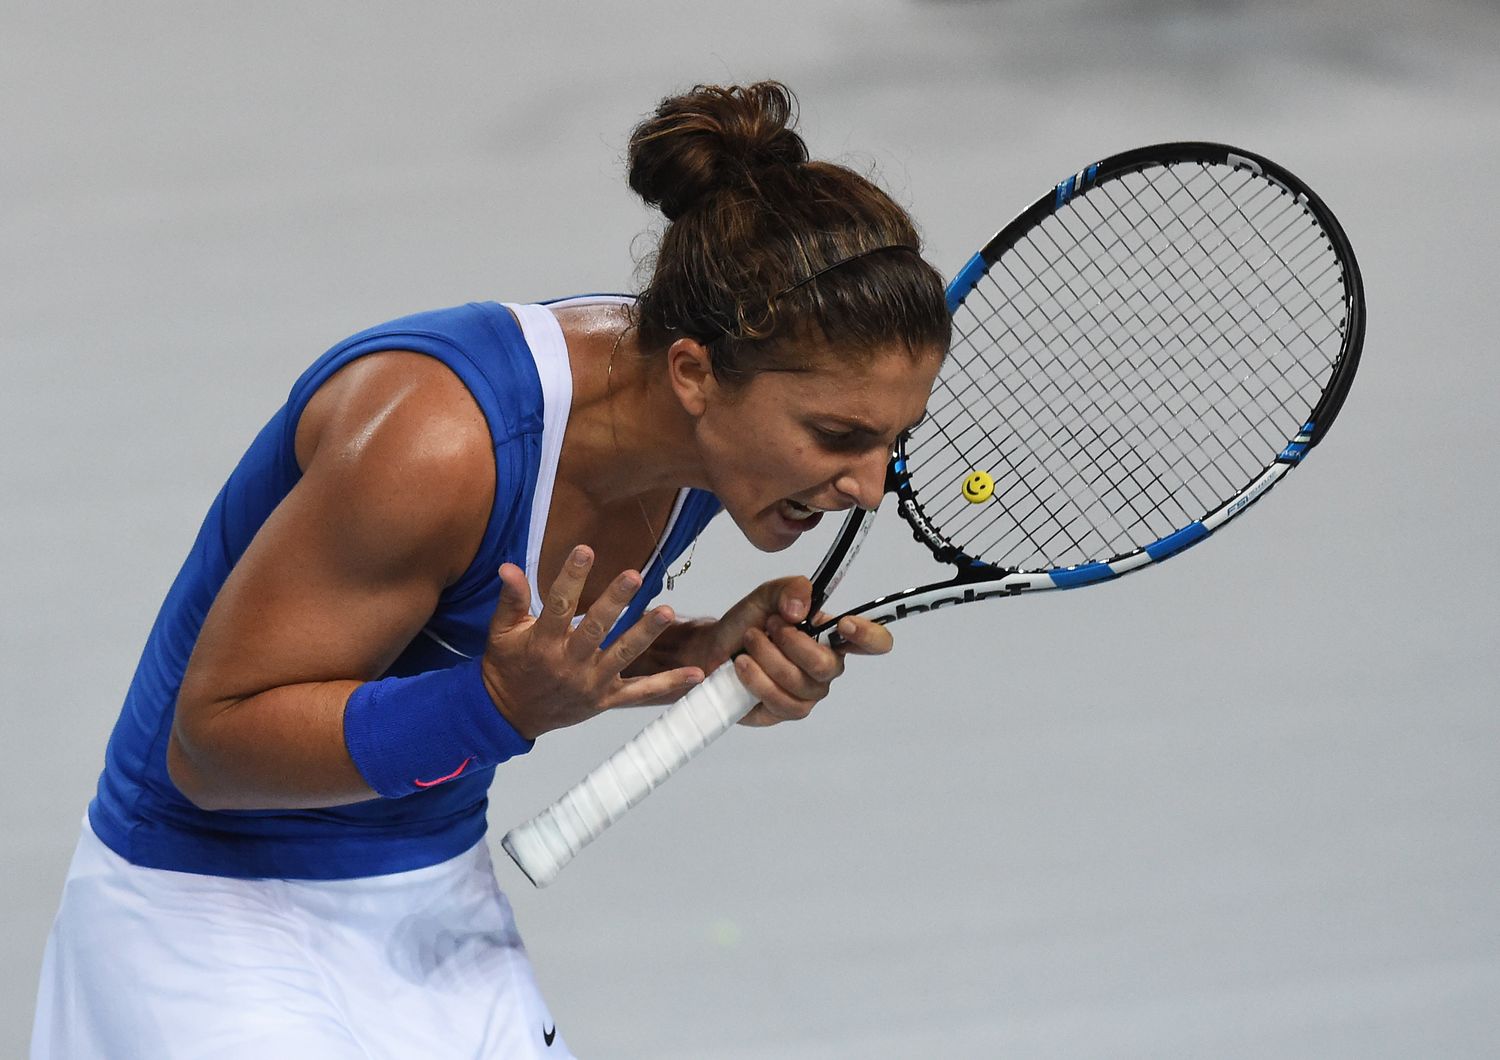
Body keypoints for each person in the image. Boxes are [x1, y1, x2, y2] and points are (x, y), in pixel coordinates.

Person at [31, 80, 950, 1058]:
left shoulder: (716, 439)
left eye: (893, 439)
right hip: (198, 900)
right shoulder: (439, 448)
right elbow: (209, 751)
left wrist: (700, 653)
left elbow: (503, 645)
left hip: (429, 888)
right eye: (838, 436)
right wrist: (498, 709)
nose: (867, 485)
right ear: (694, 373)